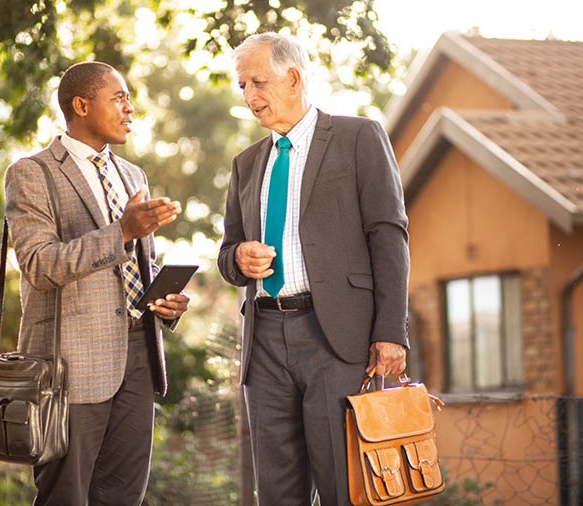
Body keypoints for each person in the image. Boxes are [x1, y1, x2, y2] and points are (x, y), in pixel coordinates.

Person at [217, 32, 410, 505]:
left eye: (257, 82)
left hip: (336, 339)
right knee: (277, 494)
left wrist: (390, 331)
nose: (249, 96)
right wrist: (239, 258)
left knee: (346, 487)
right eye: (242, 86)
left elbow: (388, 235)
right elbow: (227, 255)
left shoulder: (358, 137)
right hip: (263, 341)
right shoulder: (245, 165)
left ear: (293, 78)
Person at [4, 61, 190, 505]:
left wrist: (164, 299)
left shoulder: (133, 176)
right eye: (119, 97)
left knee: (124, 496)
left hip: (139, 355)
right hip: (71, 364)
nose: (130, 108)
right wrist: (121, 231)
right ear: (81, 105)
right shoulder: (33, 173)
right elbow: (38, 264)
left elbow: (134, 264)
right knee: (65, 495)